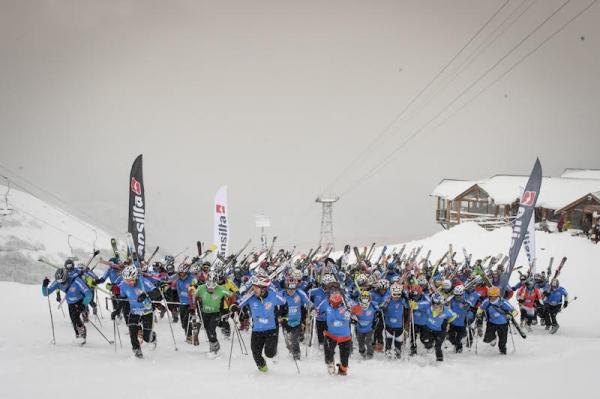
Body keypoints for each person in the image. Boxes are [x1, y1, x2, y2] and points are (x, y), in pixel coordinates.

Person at [231, 274, 286, 372]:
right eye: (253, 287)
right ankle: (263, 370)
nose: (253, 290)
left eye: (256, 288)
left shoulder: (273, 294)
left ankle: (274, 353)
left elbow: (283, 301)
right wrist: (235, 305)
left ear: (264, 289)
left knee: (269, 353)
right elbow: (240, 301)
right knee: (255, 352)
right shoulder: (251, 296)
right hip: (257, 329)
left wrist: (283, 312)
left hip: (271, 329)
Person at [118, 265, 162, 358]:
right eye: (126, 280)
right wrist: (117, 310)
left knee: (147, 338)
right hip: (134, 311)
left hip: (147, 311)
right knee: (132, 332)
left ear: (135, 277)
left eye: (130, 280)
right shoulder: (123, 285)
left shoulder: (143, 282)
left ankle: (152, 337)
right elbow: (122, 299)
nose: (128, 282)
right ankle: (136, 349)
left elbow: (157, 292)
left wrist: (146, 294)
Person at [316, 289, 362, 375]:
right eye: (333, 303)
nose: (334, 305)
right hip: (331, 335)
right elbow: (317, 310)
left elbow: (359, 310)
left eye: (337, 304)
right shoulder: (326, 303)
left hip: (345, 336)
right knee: (328, 353)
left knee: (345, 361)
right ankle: (330, 364)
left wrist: (353, 310)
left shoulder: (347, 304)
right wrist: (314, 311)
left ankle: (342, 369)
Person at [42, 268, 92, 345]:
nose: (62, 284)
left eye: (63, 282)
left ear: (66, 277)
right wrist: (44, 285)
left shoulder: (77, 281)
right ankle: (78, 336)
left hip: (80, 301)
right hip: (70, 303)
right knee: (73, 320)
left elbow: (89, 294)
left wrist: (84, 304)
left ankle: (83, 336)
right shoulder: (58, 282)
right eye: (60, 283)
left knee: (76, 318)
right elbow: (46, 293)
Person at [195, 271, 232, 354]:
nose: (211, 288)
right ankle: (214, 344)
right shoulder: (201, 288)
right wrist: (194, 304)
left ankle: (214, 347)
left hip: (216, 312)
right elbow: (193, 295)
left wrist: (231, 306)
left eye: (213, 287)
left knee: (211, 328)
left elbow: (232, 295)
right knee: (207, 329)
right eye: (209, 286)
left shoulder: (221, 289)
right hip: (205, 312)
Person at [412, 292, 456, 361]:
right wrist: (413, 305)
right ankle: (429, 347)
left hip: (440, 331)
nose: (435, 305)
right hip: (428, 328)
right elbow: (417, 305)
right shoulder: (427, 305)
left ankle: (439, 361)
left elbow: (454, 315)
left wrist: (448, 322)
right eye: (433, 303)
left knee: (438, 347)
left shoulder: (446, 310)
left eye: (437, 303)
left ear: (441, 303)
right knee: (425, 342)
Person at [279, 270, 312, 360]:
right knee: (287, 340)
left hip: (296, 320)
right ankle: (290, 350)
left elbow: (308, 302)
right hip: (285, 320)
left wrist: (312, 308)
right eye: (289, 289)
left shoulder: (300, 293)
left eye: (293, 289)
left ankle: (296, 355)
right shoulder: (282, 294)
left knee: (294, 339)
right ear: (286, 287)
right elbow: (273, 300)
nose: (291, 291)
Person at [476, 286, 518, 355]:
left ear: (498, 295)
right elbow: (480, 308)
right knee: (487, 339)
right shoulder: (486, 302)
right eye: (490, 296)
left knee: (502, 341)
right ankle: (493, 338)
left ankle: (502, 352)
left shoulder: (503, 302)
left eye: (494, 296)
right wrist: (479, 313)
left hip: (503, 324)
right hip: (491, 323)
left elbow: (515, 311)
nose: (492, 298)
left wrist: (510, 316)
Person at [380, 282, 408, 359]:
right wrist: (382, 307)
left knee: (398, 341)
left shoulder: (402, 301)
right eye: (394, 294)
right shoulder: (388, 299)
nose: (396, 297)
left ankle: (398, 352)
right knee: (388, 340)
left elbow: (408, 305)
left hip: (399, 325)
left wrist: (406, 297)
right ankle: (388, 351)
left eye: (398, 295)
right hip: (389, 325)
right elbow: (382, 305)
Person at [174, 263, 195, 343]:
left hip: (190, 303)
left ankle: (189, 335)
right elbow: (178, 291)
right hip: (182, 303)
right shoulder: (178, 280)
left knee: (187, 320)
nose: (181, 274)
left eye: (183, 272)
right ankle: (188, 332)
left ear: (186, 272)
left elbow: (194, 290)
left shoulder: (191, 279)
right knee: (183, 322)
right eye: (180, 273)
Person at [355, 290, 378, 359]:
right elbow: (351, 314)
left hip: (369, 328)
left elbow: (379, 311)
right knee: (360, 343)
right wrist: (353, 319)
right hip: (359, 328)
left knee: (368, 342)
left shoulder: (373, 306)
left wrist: (377, 318)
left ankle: (370, 354)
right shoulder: (356, 307)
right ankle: (362, 352)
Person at [448, 285, 469, 353]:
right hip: (453, 323)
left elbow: (470, 306)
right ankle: (456, 345)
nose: (457, 297)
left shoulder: (466, 301)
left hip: (461, 324)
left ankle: (459, 348)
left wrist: (467, 306)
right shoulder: (451, 301)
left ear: (462, 294)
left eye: (459, 295)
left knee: (459, 338)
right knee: (451, 338)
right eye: (456, 295)